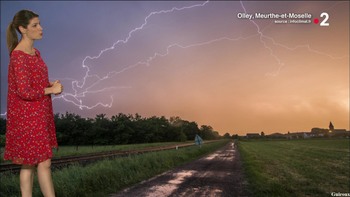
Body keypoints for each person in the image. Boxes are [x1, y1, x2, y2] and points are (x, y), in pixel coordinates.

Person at [4, 10, 63, 197]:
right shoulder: (18, 56)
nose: (41, 28)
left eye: (39, 24)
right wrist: (50, 91)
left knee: (28, 164)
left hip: (40, 112)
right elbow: (24, 91)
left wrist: (49, 84)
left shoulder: (35, 52)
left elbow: (34, 83)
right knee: (44, 162)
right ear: (23, 29)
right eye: (35, 25)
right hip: (27, 116)